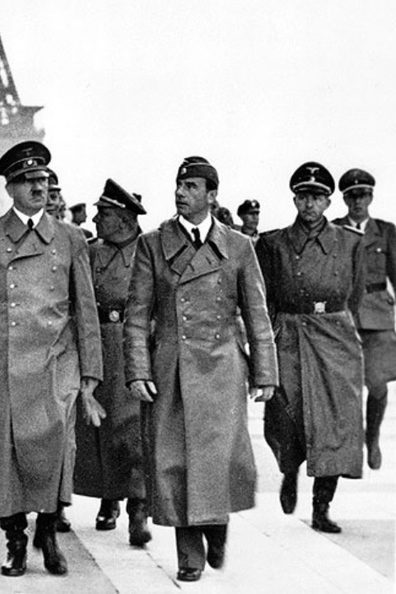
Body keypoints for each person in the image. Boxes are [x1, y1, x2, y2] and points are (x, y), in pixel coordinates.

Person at [124, 156, 277, 582]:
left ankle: (217, 523)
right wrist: (138, 370)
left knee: (217, 458)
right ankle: (189, 552)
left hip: (223, 366)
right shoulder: (153, 244)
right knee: (174, 461)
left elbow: (257, 313)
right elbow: (137, 315)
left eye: (191, 186)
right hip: (171, 365)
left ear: (212, 196)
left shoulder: (239, 246)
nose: (180, 193)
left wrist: (265, 373)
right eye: (178, 184)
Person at [0, 141, 104, 577]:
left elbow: (85, 307)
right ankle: (15, 539)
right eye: (29, 181)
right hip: (2, 363)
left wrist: (91, 369)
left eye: (44, 180)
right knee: (5, 457)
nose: (40, 188)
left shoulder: (71, 238)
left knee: (55, 450)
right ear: (10, 188)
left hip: (56, 362)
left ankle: (49, 531)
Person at [257, 163, 365, 534]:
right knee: (286, 414)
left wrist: (347, 331)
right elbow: (263, 296)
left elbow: (359, 292)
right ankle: (290, 470)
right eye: (303, 196)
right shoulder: (272, 244)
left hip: (335, 335)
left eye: (317, 197)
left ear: (328, 200)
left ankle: (322, 505)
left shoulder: (350, 242)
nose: (310, 204)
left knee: (335, 421)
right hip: (288, 332)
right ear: (294, 199)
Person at [73, 179, 151, 547]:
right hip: (96, 343)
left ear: (123, 218)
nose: (94, 218)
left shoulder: (149, 251)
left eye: (102, 213)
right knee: (97, 430)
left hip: (135, 345)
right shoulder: (89, 252)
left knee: (134, 430)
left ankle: (138, 506)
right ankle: (108, 499)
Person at [333, 168, 396, 470]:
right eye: (352, 196)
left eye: (364, 195)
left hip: (379, 316)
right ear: (344, 199)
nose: (358, 201)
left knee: (378, 383)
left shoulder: (386, 232)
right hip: (345, 314)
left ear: (371, 197)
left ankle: (372, 437)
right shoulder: (333, 230)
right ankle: (353, 441)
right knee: (345, 387)